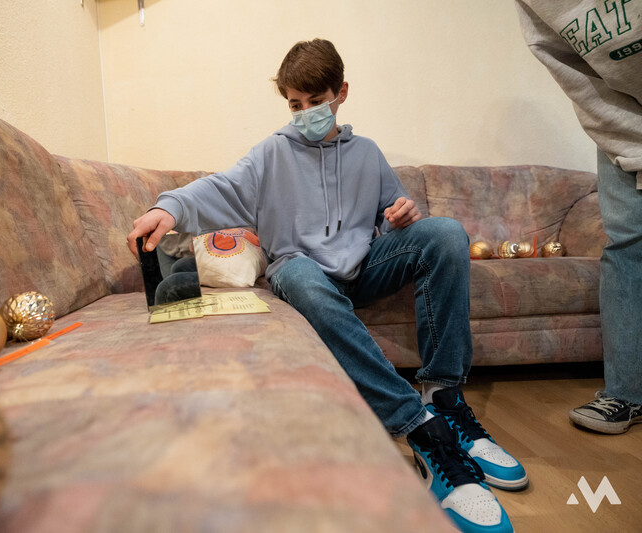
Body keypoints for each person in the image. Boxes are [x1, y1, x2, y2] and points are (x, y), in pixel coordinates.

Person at [128, 39, 525, 532]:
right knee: (300, 274)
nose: (305, 113)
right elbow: (220, 187)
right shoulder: (272, 153)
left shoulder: (368, 154)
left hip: (361, 268)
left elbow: (394, 216)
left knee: (445, 234)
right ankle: (421, 427)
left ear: (341, 93)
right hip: (300, 270)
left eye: (316, 101)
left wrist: (403, 214)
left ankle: (444, 396)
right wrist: (167, 207)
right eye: (295, 104)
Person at [516, 2, 642, 435]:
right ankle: (625, 393)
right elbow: (571, 69)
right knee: (625, 250)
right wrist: (626, 140)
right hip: (621, 125)